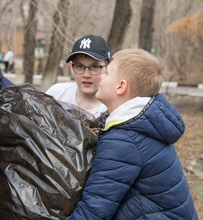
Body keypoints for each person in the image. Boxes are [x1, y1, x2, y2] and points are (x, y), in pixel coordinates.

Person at [67, 49, 198, 219]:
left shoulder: (123, 140)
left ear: (121, 87)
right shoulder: (141, 123)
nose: (100, 77)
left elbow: (93, 212)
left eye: (106, 73)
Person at [46, 35, 111, 118]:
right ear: (71, 68)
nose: (86, 75)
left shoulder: (113, 108)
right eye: (79, 66)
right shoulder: (56, 95)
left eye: (95, 67)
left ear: (107, 68)